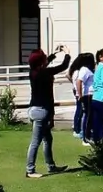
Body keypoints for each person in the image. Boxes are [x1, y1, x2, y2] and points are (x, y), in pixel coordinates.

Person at [25, 46, 71, 178]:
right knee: (36, 142)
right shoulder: (44, 73)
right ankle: (30, 170)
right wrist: (67, 53)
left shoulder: (33, 72)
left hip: (34, 109)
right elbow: (63, 66)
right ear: (41, 62)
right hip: (41, 111)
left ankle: (51, 166)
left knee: (47, 139)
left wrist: (54, 54)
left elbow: (44, 63)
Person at [69, 52, 96, 143]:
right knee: (86, 116)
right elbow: (79, 81)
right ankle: (85, 137)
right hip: (87, 95)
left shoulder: (89, 69)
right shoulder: (84, 69)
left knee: (90, 116)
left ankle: (87, 135)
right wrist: (80, 95)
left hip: (91, 94)